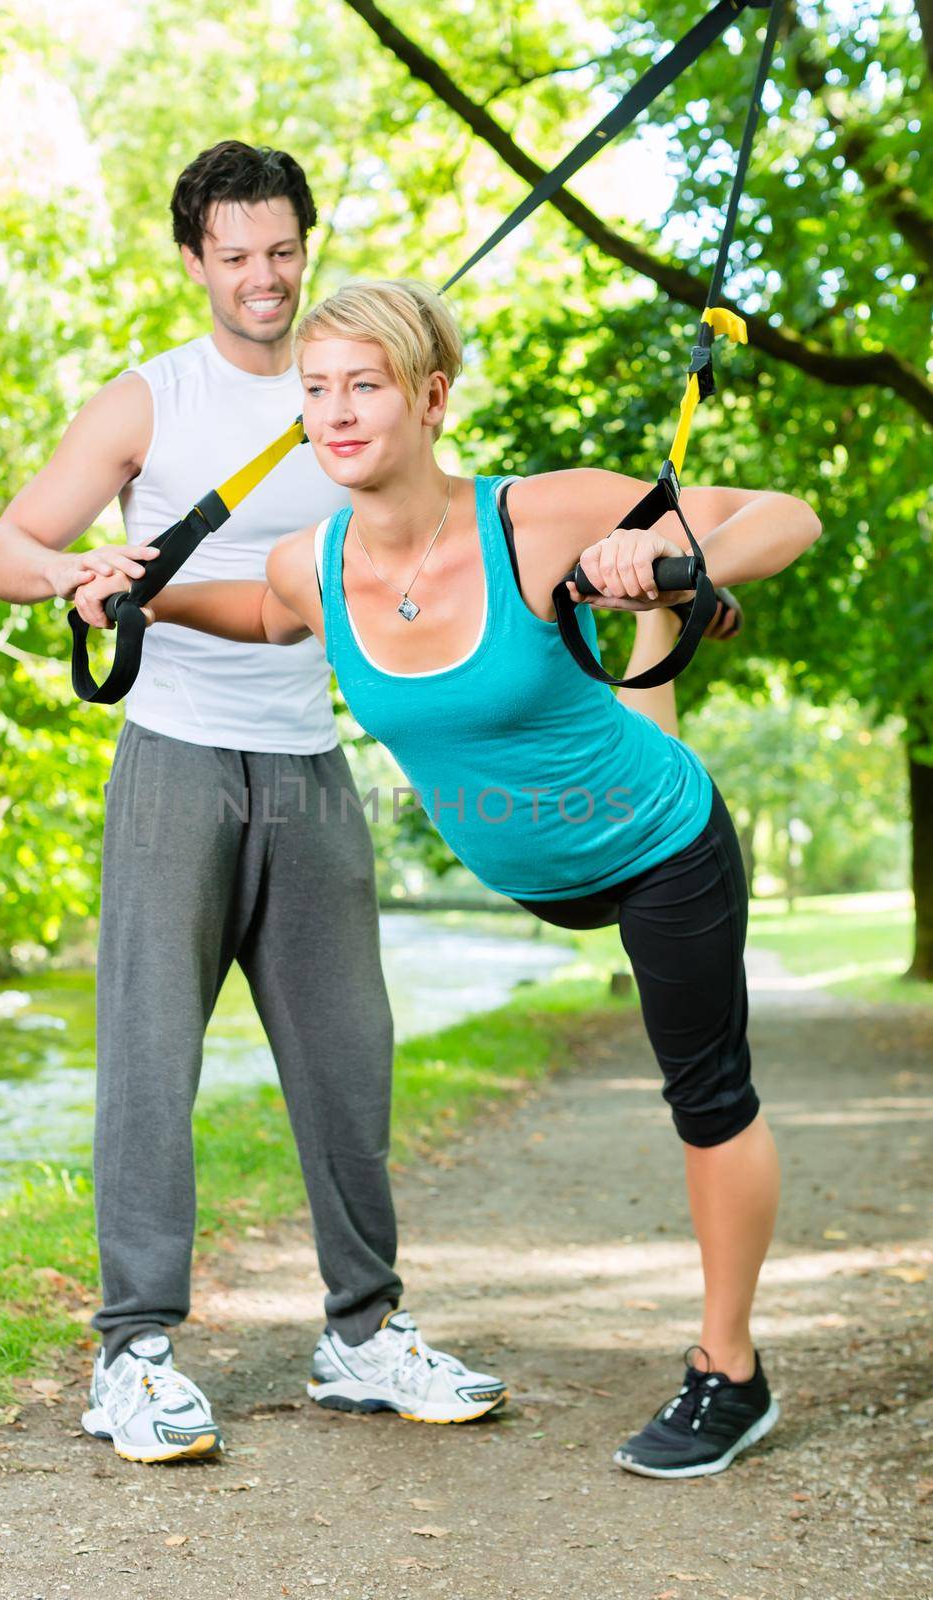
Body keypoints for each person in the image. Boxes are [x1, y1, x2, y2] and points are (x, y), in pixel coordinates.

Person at [74, 278, 822, 1479]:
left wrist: (678, 558)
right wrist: (141, 594)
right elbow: (264, 622)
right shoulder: (309, 563)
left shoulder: (530, 518)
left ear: (427, 397)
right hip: (530, 865)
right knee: (629, 668)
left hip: (655, 845)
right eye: (315, 389)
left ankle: (728, 1372)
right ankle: (649, 637)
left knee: (704, 1094)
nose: (335, 411)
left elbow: (785, 515)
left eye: (363, 385)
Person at [0, 161, 505, 1465]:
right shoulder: (149, 400)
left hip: (308, 757)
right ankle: (132, 1357)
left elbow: (426, 549)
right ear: (194, 263)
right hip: (174, 757)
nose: (262, 278)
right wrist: (78, 576)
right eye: (234, 255)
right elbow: (3, 555)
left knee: (347, 1057)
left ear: (304, 249)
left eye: (281, 251)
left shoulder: (355, 389)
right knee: (151, 1066)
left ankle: (361, 1338)